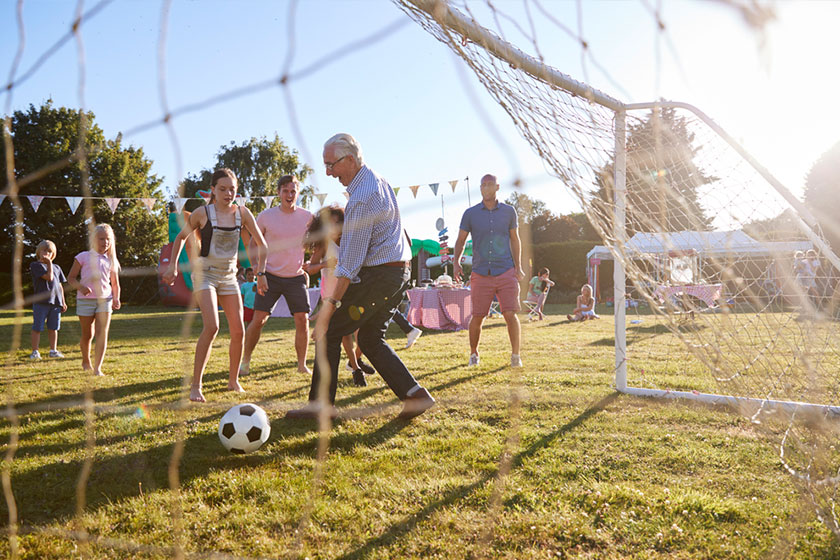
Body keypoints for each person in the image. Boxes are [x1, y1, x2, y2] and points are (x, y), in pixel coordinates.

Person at [286, 133, 435, 420]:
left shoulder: (362, 199)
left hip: (381, 275)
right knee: (370, 338)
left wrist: (327, 311)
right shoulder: (375, 180)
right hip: (397, 272)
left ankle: (320, 407)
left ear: (351, 159)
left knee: (329, 333)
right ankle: (416, 396)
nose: (328, 173)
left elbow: (349, 267)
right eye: (326, 166)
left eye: (331, 165)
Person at [163, 168, 268, 402]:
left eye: (232, 189)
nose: (228, 193)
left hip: (229, 276)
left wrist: (261, 273)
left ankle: (233, 382)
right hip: (206, 275)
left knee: (239, 330)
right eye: (222, 189)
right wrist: (173, 265)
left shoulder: (243, 213)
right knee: (212, 326)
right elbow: (181, 237)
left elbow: (262, 245)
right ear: (213, 190)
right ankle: (195, 386)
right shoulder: (203, 213)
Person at [241, 175, 312, 376]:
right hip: (269, 275)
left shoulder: (308, 217)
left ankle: (301, 364)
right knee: (259, 319)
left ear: (298, 193)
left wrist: (312, 263)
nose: (289, 195)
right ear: (279, 192)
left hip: (295, 277)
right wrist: (256, 267)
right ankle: (245, 362)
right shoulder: (265, 216)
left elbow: (319, 241)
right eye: (286, 191)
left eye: (293, 191)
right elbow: (253, 243)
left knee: (302, 319)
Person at [453, 174, 525, 368]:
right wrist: (456, 263)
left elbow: (515, 239)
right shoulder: (470, 213)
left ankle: (516, 356)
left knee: (510, 314)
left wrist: (518, 266)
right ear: (480, 188)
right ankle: (474, 354)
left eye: (490, 184)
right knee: (478, 316)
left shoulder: (509, 212)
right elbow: (460, 241)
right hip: (480, 272)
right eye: (483, 185)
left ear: (497, 187)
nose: (486, 188)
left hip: (505, 270)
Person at [304, 205, 371, 387]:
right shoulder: (324, 244)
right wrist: (326, 264)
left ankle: (354, 361)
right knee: (345, 334)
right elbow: (310, 268)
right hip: (331, 293)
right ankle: (357, 369)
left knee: (363, 332)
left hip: (352, 291)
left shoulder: (350, 240)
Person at [67, 224, 121, 376]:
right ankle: (86, 361)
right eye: (101, 238)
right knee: (87, 335)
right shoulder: (82, 257)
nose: (105, 242)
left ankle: (97, 368)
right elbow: (71, 278)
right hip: (85, 301)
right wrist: (81, 287)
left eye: (108, 239)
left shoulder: (111, 260)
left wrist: (116, 298)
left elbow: (115, 284)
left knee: (102, 333)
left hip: (105, 300)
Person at [29, 240, 68, 360]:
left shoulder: (57, 267)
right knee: (37, 327)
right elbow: (49, 277)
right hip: (41, 302)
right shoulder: (36, 265)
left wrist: (63, 301)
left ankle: (53, 350)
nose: (47, 253)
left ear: (54, 253)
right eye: (44, 250)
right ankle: (35, 351)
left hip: (55, 302)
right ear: (38, 252)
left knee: (54, 328)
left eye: (50, 251)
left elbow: (59, 285)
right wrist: (49, 264)